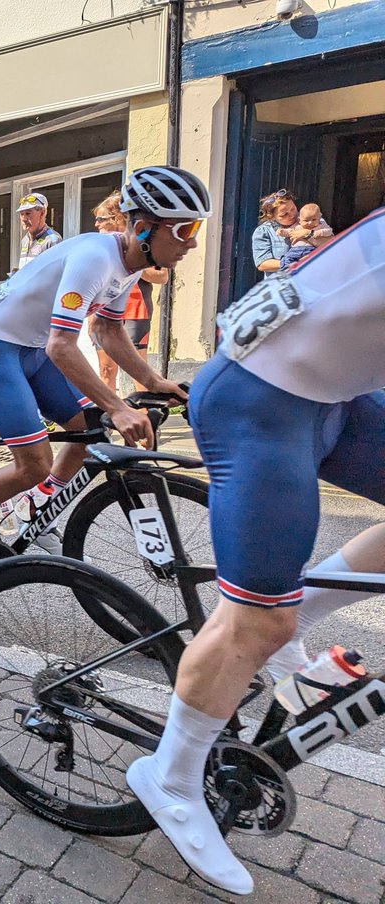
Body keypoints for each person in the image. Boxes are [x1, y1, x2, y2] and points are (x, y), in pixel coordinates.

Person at [126, 206, 385, 896]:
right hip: (257, 405)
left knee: (277, 615)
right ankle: (172, 777)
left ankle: (284, 621)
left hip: (333, 394)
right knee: (258, 618)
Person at [0, 166, 203, 578]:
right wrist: (117, 406)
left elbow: (107, 329)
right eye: (185, 229)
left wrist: (153, 382)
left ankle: (35, 508)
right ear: (144, 228)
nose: (193, 241)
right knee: (34, 463)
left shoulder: (126, 263)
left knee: (87, 429)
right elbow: (62, 345)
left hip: (32, 349)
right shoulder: (96, 258)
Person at [90, 192, 169, 390]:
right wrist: (90, 317)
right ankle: (108, 416)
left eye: (101, 219)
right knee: (106, 368)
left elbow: (162, 276)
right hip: (105, 307)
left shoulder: (143, 240)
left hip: (136, 309)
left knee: (138, 369)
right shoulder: (101, 245)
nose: (96, 224)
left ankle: (145, 416)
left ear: (117, 218)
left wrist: (132, 262)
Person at [251, 189, 297, 274]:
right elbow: (262, 264)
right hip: (284, 284)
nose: (292, 215)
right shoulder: (264, 231)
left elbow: (327, 243)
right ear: (272, 217)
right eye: (284, 214)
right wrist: (292, 264)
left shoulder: (309, 219)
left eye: (293, 209)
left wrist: (308, 233)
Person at [278, 202, 334, 267]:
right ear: (300, 220)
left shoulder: (320, 224)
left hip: (311, 249)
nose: (310, 222)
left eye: (292, 209)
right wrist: (282, 232)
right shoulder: (297, 226)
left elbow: (329, 232)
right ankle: (287, 270)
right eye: (306, 220)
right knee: (287, 259)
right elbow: (289, 232)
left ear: (319, 217)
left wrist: (314, 233)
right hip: (296, 249)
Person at [16, 193, 62, 269]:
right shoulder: (25, 240)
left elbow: (56, 275)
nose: (23, 219)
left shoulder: (53, 240)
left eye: (28, 213)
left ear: (42, 213)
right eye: (21, 214)